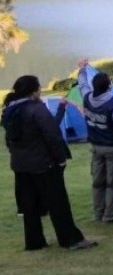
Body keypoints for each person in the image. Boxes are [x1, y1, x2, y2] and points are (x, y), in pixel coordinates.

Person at [3, 75, 97, 251]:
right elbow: (52, 135)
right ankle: (70, 239)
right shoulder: (36, 109)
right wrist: (60, 159)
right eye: (38, 87)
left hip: (21, 165)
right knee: (58, 202)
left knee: (29, 205)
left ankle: (34, 241)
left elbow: (9, 139)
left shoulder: (9, 110)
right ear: (33, 91)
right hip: (43, 164)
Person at [76, 59, 113, 223]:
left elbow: (82, 84)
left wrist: (81, 69)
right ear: (109, 86)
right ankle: (111, 215)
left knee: (98, 182)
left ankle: (98, 213)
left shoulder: (87, 97)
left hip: (96, 147)